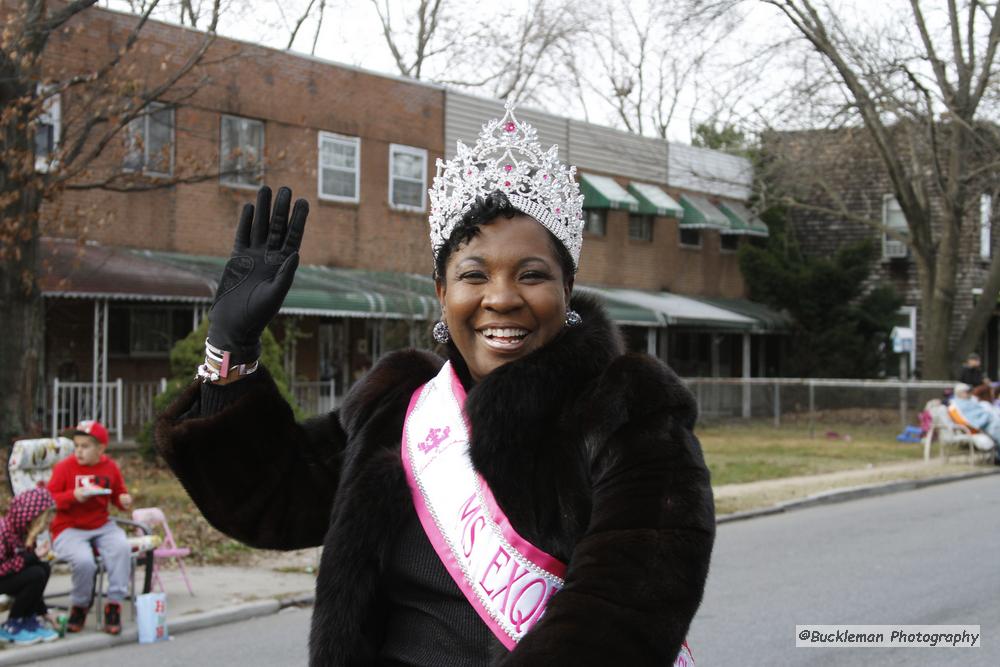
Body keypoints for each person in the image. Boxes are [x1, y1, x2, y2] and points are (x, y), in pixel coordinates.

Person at [156, 106, 714, 666]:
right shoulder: (402, 400)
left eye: (532, 274)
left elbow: (622, 611)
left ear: (567, 289)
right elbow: (275, 499)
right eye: (474, 275)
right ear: (441, 293)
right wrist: (232, 346)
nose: (501, 298)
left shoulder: (630, 411)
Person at [47, 419, 134, 635]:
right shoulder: (64, 468)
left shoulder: (109, 467)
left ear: (101, 449)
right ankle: (79, 606)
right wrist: (72, 496)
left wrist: (123, 500)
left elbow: (117, 494)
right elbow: (48, 500)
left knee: (122, 548)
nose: (79, 451)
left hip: (101, 525)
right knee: (85, 561)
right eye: (76, 446)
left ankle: (113, 604)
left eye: (85, 446)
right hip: (68, 527)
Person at [0, 488, 60, 645]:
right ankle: (12, 624)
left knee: (43, 568)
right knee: (35, 573)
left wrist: (44, 611)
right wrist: (31, 557)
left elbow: (27, 565)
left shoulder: (23, 533)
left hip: (8, 577)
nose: (45, 528)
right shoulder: (3, 530)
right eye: (44, 523)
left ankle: (29, 618)